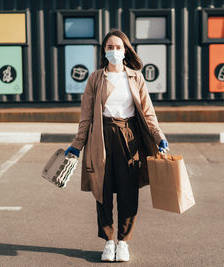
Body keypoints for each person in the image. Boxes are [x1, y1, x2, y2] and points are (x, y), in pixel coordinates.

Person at [65, 29, 168, 262]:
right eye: (109, 47)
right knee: (102, 191)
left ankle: (123, 242)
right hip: (101, 137)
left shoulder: (135, 77)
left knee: (128, 192)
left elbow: (148, 113)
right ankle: (108, 241)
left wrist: (159, 136)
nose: (114, 51)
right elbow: (86, 116)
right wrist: (77, 144)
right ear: (104, 51)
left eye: (118, 47)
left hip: (129, 136)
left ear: (125, 50)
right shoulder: (95, 78)